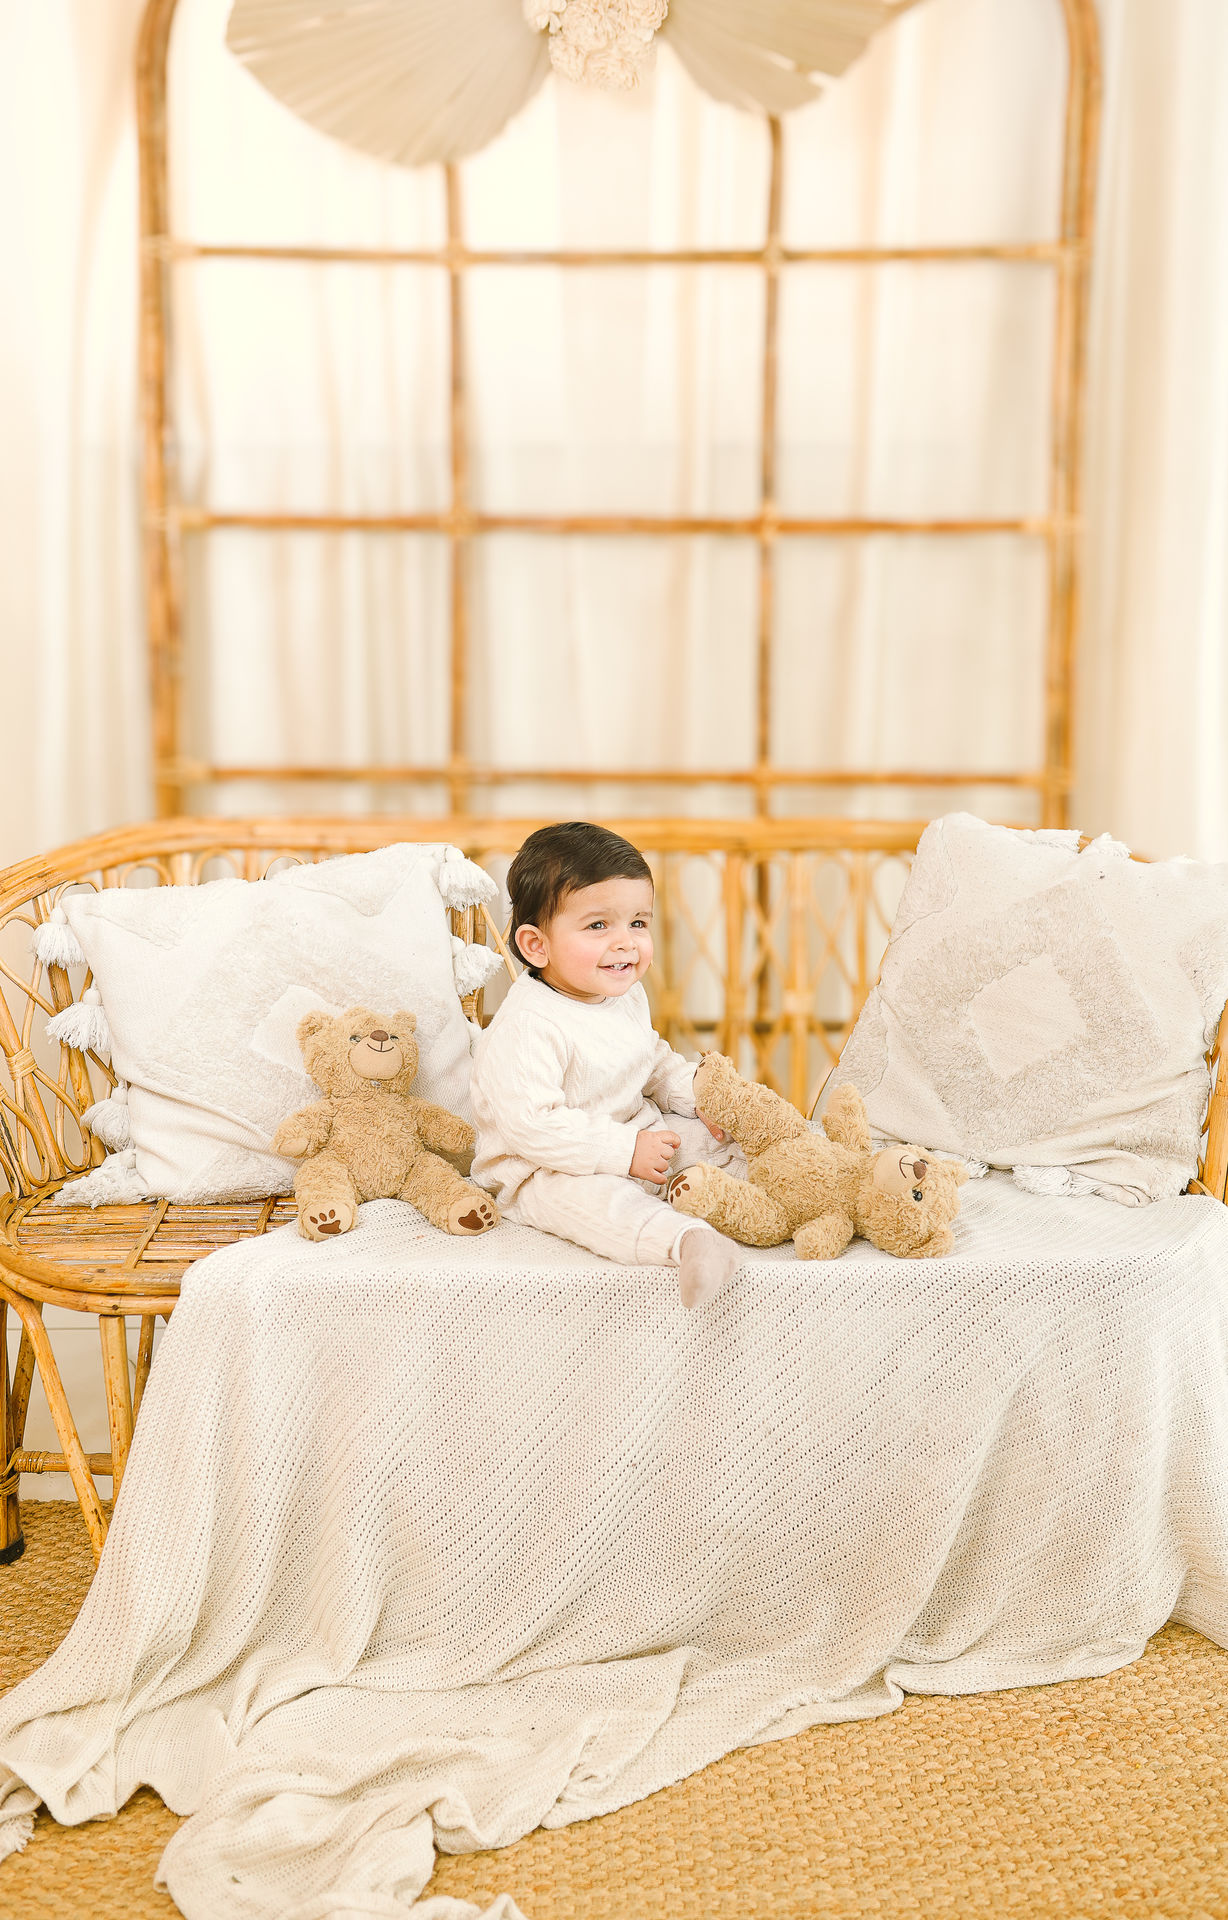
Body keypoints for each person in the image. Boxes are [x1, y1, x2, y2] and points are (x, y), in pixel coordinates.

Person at [470, 821, 745, 1307]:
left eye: (638, 922)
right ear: (537, 945)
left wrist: (699, 1095)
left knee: (726, 1139)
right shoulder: (529, 1025)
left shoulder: (622, 994)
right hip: (541, 1167)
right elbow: (533, 1126)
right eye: (598, 926)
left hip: (636, 1137)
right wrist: (624, 1150)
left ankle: (786, 1192)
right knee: (596, 1204)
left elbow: (651, 1061)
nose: (626, 942)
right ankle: (687, 1243)